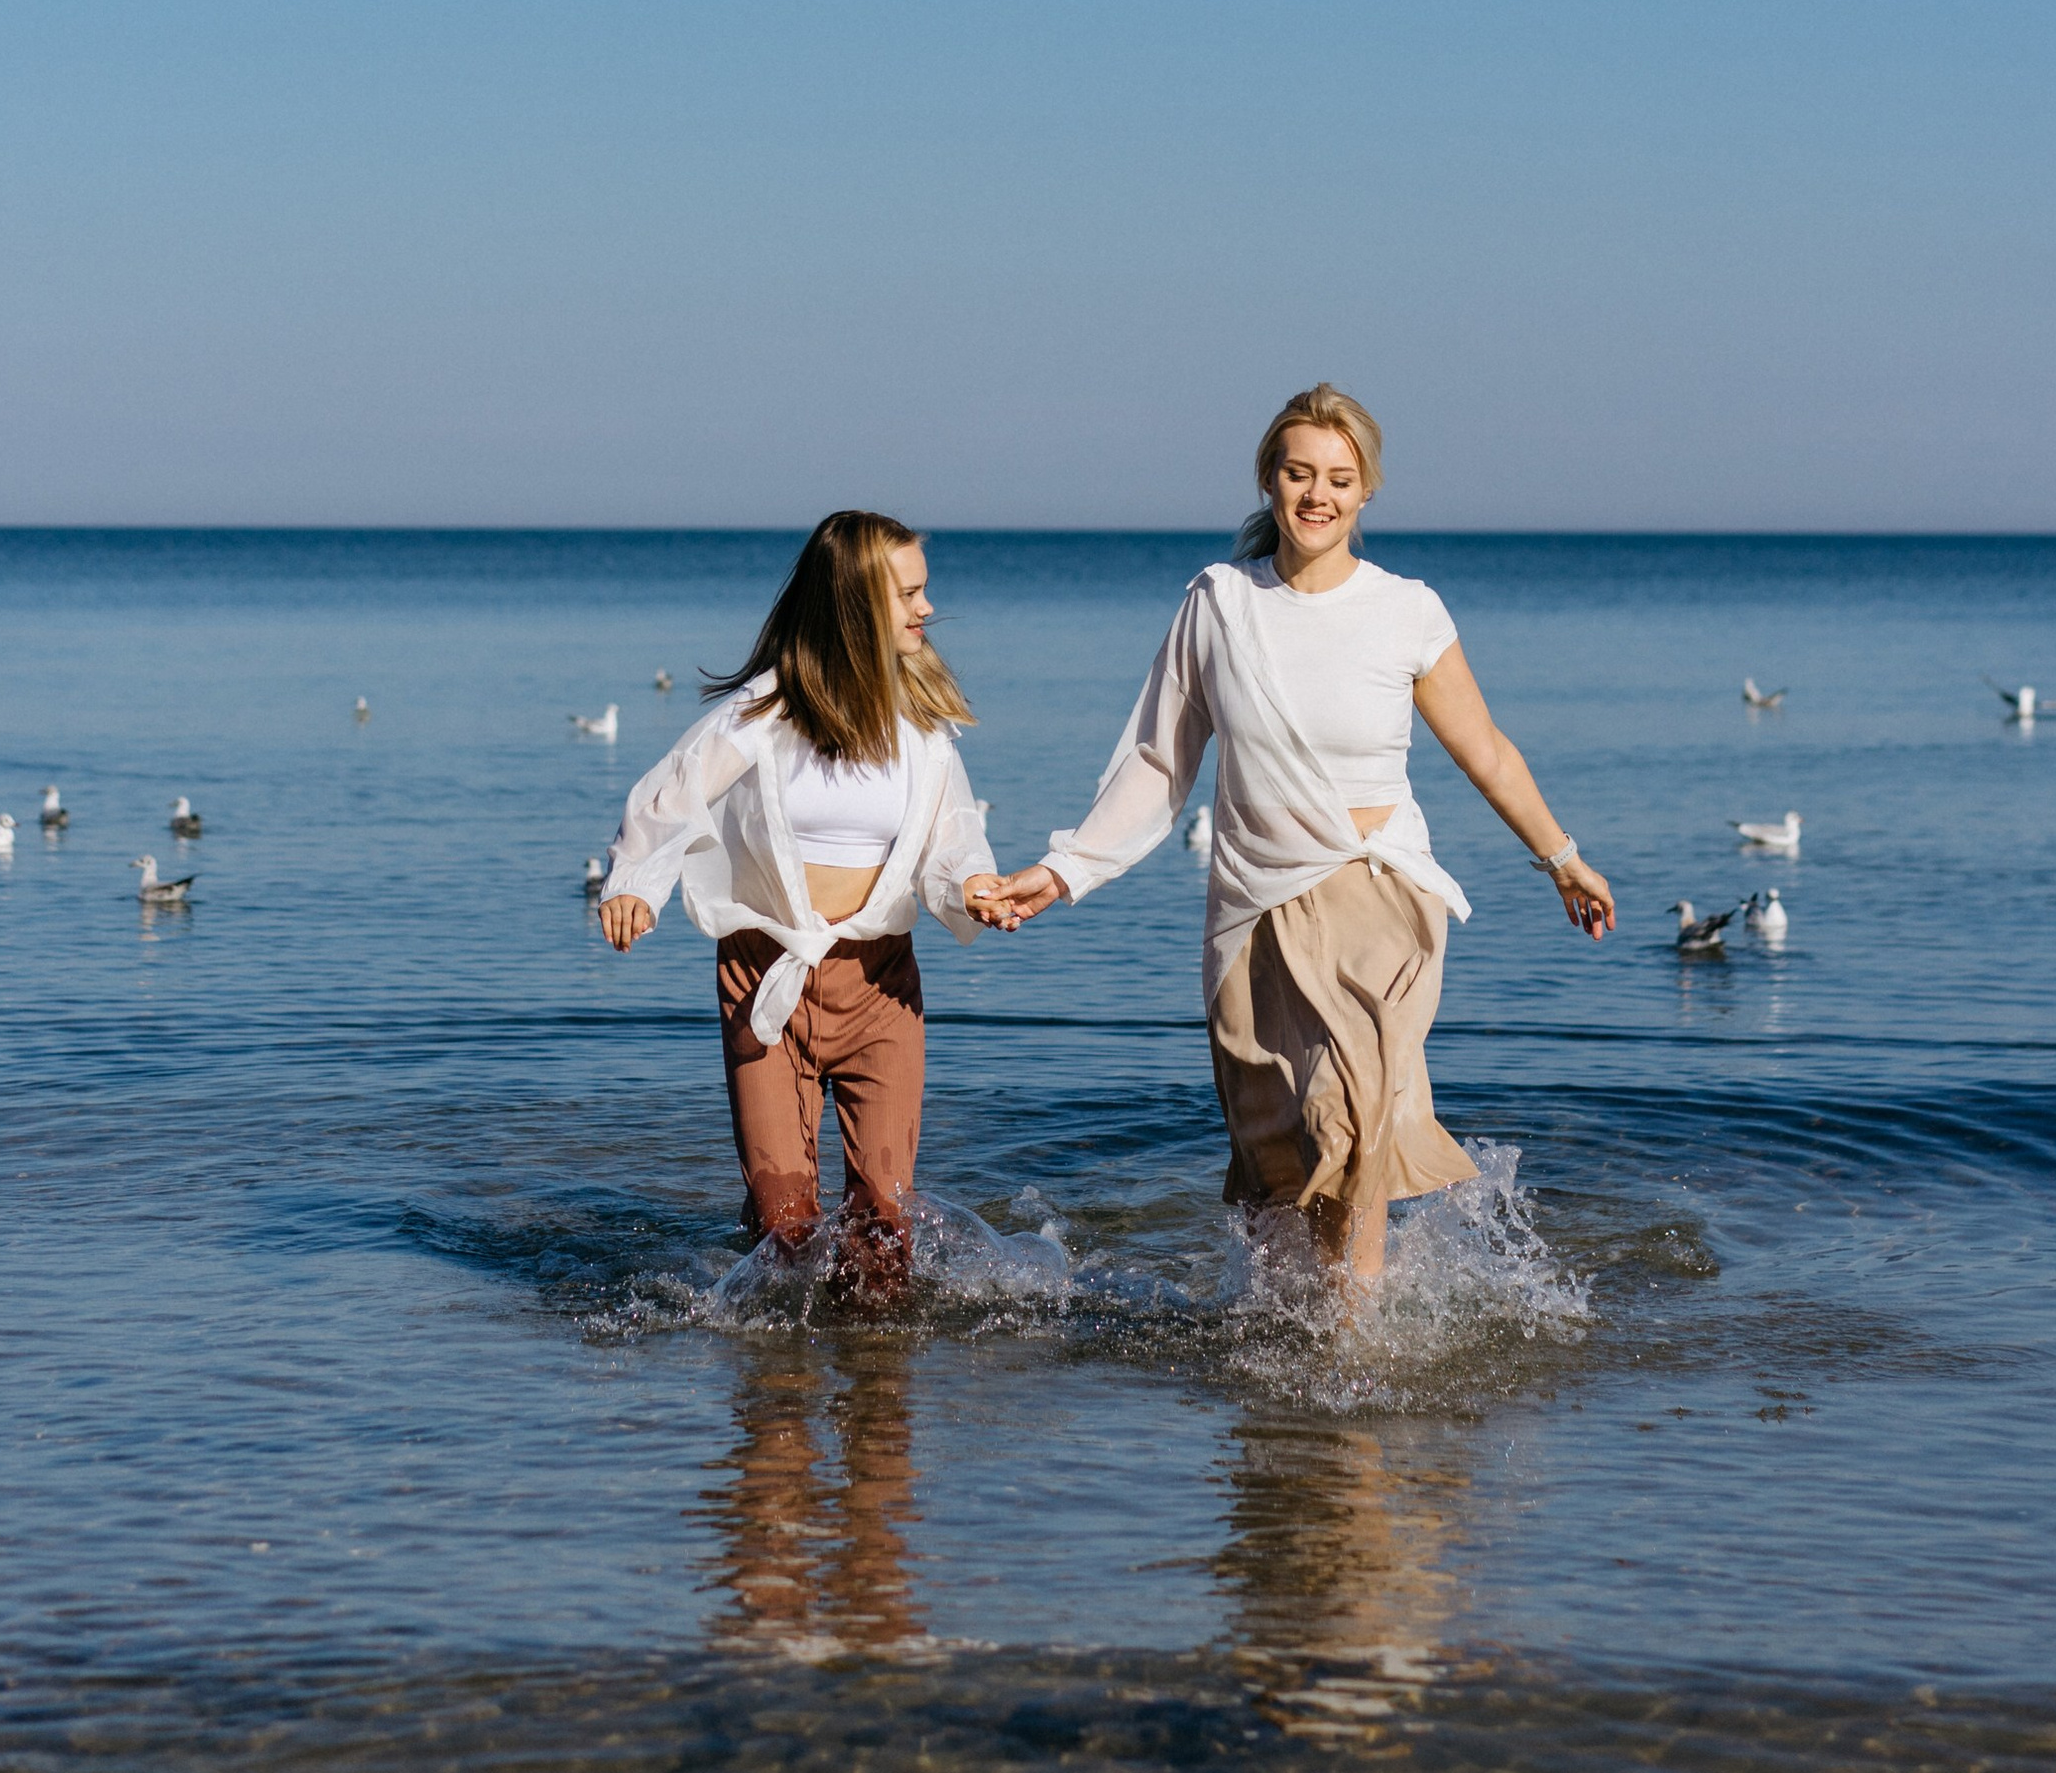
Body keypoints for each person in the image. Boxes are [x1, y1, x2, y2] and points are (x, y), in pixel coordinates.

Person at [984, 387, 1613, 1287]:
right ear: (1270, 481)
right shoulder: (1220, 604)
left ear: (1367, 494)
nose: (1317, 495)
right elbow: (1161, 763)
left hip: (1379, 898)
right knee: (1284, 1150)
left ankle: (1350, 1345)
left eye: (1339, 479)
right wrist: (1064, 869)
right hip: (1256, 907)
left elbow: (1489, 753)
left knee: (1353, 1127)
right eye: (1299, 473)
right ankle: (1286, 1332)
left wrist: (1563, 860)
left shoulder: (1407, 611)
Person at [597, 512, 1006, 1300]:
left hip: (881, 987)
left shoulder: (922, 727)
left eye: (926, 592)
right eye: (910, 594)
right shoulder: (764, 712)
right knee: (784, 1231)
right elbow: (668, 795)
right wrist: (634, 888)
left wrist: (972, 890)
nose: (928, 610)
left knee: (884, 1232)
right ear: (854, 604)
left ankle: (878, 1399)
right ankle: (776, 1402)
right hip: (764, 980)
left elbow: (952, 840)